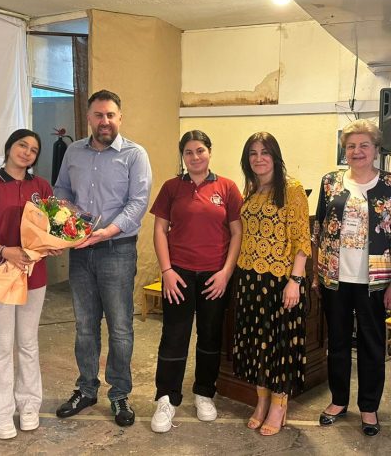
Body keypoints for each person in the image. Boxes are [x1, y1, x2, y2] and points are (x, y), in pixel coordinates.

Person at [54, 89, 152, 427]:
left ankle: (120, 394)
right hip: (81, 252)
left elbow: (138, 202)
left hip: (117, 250)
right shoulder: (73, 152)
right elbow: (61, 190)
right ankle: (86, 389)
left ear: (119, 117)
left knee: (120, 327)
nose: (104, 121)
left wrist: (106, 232)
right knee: (85, 326)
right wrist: (69, 225)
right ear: (89, 118)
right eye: (98, 115)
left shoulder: (135, 155)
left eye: (110, 114)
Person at [150, 130, 242, 433]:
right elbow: (160, 230)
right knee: (174, 336)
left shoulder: (227, 187)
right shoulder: (171, 187)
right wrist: (167, 271)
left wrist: (226, 273)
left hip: (215, 276)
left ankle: (204, 392)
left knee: (210, 337)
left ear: (209, 152)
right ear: (183, 156)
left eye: (200, 150)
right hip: (179, 275)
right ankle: (167, 398)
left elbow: (237, 232)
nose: (195, 157)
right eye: (188, 152)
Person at [312, 119, 391, 436]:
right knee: (338, 341)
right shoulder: (330, 182)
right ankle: (338, 400)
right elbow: (319, 229)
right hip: (335, 277)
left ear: (376, 149)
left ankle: (369, 407)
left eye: (364, 145)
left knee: (372, 345)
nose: (357, 151)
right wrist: (317, 273)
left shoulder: (389, 184)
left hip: (376, 280)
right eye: (351, 146)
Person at [233, 132, 311, 436]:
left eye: (265, 152)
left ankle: (279, 405)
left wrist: (295, 280)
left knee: (279, 345)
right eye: (252, 153)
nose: (259, 158)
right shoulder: (251, 190)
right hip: (250, 278)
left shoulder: (291, 189)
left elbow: (302, 239)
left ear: (275, 157)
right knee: (257, 344)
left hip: (280, 280)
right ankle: (262, 400)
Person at [0, 129, 58, 440]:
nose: (27, 152)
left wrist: (53, 244)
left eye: (33, 149)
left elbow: (52, 227)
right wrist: (5, 251)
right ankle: (1, 412)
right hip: (0, 275)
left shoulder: (41, 187)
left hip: (34, 276)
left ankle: (29, 406)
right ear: (9, 147)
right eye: (22, 145)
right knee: (1, 347)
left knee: (28, 344)